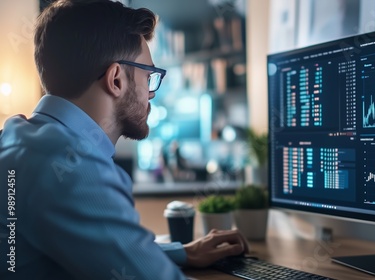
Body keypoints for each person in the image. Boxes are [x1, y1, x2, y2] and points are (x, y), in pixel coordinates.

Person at [0, 0, 248, 279]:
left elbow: (84, 249)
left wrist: (182, 252)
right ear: (116, 79)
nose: (151, 94)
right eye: (149, 76)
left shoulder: (16, 134)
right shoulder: (76, 169)